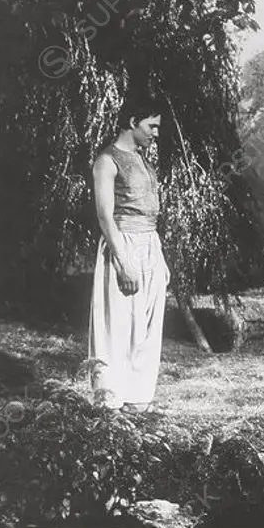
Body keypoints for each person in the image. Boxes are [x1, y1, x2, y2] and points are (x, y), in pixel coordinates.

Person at [87, 93, 169, 413]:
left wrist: (159, 257)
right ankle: (109, 402)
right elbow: (105, 216)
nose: (156, 133)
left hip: (150, 243)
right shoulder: (107, 160)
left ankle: (138, 399)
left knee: (148, 325)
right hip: (123, 242)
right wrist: (122, 259)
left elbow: (150, 213)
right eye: (152, 126)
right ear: (133, 122)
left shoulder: (145, 161)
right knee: (117, 324)